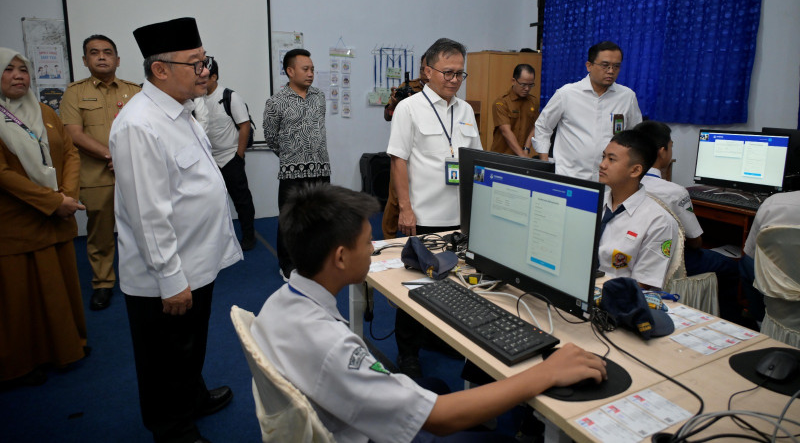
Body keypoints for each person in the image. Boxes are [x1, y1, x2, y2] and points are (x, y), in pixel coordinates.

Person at [251, 183, 607, 443]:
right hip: (360, 434)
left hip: (337, 411)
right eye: (367, 243)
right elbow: (438, 420)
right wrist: (545, 373)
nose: (373, 249)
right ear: (341, 257)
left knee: (435, 384)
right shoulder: (332, 348)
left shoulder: (280, 302)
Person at [109, 18, 242, 443]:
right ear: (160, 69)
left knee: (188, 346)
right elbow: (148, 214)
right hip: (167, 275)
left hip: (195, 261)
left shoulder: (180, 111)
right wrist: (170, 279)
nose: (204, 72)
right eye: (195, 64)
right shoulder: (139, 124)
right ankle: (172, 429)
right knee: (163, 357)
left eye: (205, 61)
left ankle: (193, 397)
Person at [387, 38, 482, 376]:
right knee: (418, 284)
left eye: (460, 73)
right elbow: (399, 160)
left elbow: (475, 162)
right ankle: (408, 351)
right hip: (425, 216)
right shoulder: (408, 108)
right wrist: (406, 209)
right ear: (427, 71)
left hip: (460, 217)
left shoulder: (466, 110)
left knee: (454, 283)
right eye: (448, 72)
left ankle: (440, 337)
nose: (455, 79)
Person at [0, 48, 87, 385]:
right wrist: (53, 200)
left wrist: (67, 194)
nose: (19, 75)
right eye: (9, 69)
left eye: (23, 69)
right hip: (16, 223)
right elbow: (3, 174)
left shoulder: (43, 112)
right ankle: (21, 364)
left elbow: (69, 152)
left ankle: (67, 347)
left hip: (56, 217)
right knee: (20, 298)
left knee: (60, 287)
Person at [60, 35, 141, 310]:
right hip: (97, 177)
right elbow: (74, 134)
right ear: (85, 60)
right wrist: (111, 155)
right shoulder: (75, 92)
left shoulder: (136, 91)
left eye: (108, 52)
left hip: (133, 173)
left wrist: (125, 158)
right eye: (94, 53)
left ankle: (143, 276)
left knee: (141, 227)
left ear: (118, 60)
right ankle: (103, 283)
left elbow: (146, 131)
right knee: (101, 233)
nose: (102, 57)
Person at [634, 121, 742, 321]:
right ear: (661, 151)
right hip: (670, 260)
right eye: (671, 146)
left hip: (633, 253)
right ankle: (732, 321)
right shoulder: (674, 192)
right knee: (731, 267)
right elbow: (695, 241)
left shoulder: (625, 183)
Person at [263, 48, 331, 278]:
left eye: (312, 69)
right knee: (290, 220)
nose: (310, 73)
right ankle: (288, 264)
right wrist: (292, 158)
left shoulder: (319, 97)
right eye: (305, 69)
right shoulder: (275, 102)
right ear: (290, 71)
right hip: (292, 173)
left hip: (320, 169)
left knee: (319, 219)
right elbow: (271, 138)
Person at [533, 41, 642, 180]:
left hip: (610, 180)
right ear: (589, 66)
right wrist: (544, 162)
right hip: (570, 176)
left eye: (616, 66)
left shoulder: (627, 97)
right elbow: (543, 126)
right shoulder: (567, 93)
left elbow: (635, 135)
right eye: (605, 65)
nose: (610, 71)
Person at [597, 130, 679, 289]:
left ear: (635, 170)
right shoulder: (595, 203)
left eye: (611, 159)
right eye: (603, 156)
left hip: (616, 300)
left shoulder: (658, 221)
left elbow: (643, 283)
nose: (602, 164)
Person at [193, 58, 256, 251]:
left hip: (230, 157)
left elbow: (244, 125)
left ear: (215, 76)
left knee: (242, 200)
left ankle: (249, 236)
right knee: (210, 203)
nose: (201, 81)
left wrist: (239, 156)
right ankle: (216, 240)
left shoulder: (230, 96)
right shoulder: (194, 98)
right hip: (207, 160)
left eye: (206, 78)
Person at [381, 58, 427, 240]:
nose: (425, 73)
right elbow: (387, 115)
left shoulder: (441, 91)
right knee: (394, 197)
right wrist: (394, 103)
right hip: (405, 148)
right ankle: (387, 239)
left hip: (426, 151)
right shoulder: (407, 86)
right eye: (423, 69)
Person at [740, 190, 800, 325]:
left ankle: (762, 322)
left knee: (746, 263)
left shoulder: (773, 202)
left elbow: (749, 253)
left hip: (776, 296)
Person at [490, 63, 539, 156]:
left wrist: (526, 148)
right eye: (523, 84)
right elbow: (506, 131)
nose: (527, 88)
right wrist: (522, 155)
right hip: (502, 156)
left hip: (522, 155)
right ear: (513, 81)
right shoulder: (501, 102)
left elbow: (535, 127)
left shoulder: (533, 102)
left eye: (531, 85)